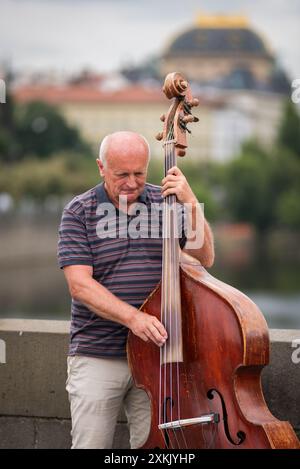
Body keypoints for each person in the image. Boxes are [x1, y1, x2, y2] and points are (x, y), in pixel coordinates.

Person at [57, 130, 214, 449]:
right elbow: (80, 286)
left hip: (158, 358)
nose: (131, 182)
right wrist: (135, 319)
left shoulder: (167, 202)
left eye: (139, 173)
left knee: (158, 449)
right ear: (101, 167)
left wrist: (190, 202)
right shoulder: (79, 211)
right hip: (98, 354)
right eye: (121, 174)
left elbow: (204, 258)